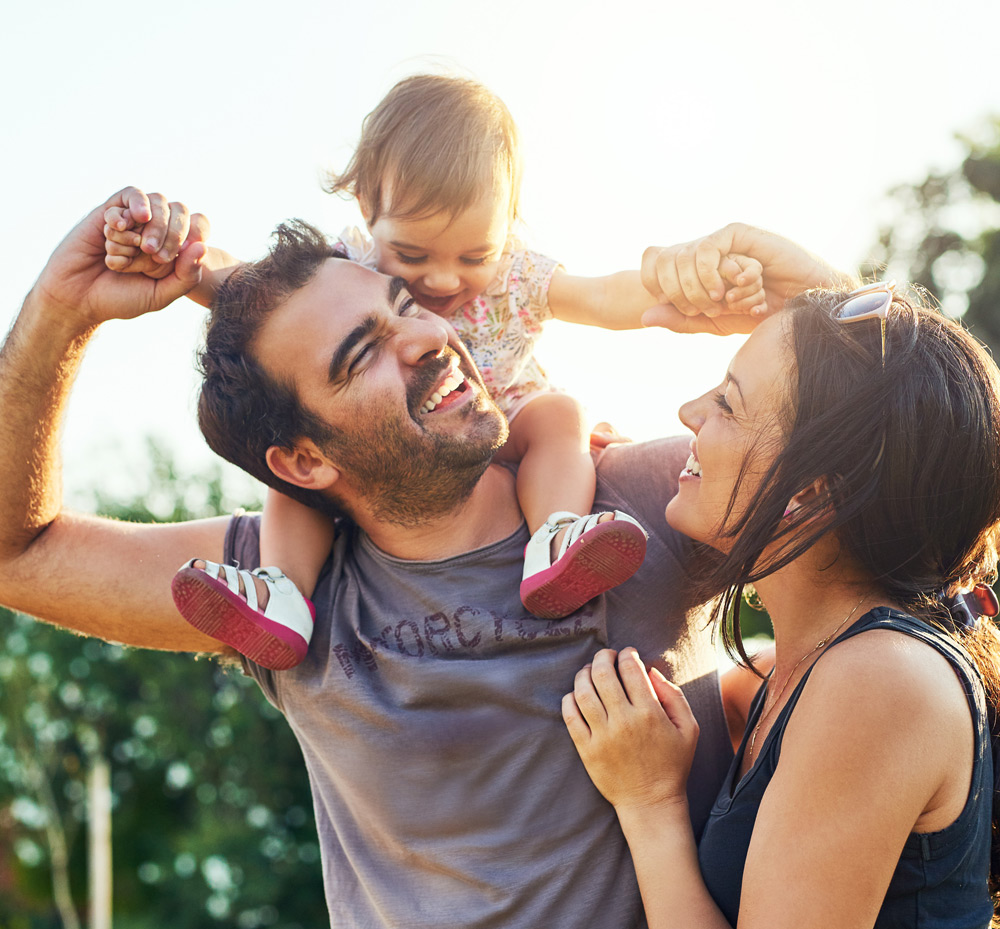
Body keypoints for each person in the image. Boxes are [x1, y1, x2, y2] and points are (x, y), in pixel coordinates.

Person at [0, 187, 759, 929]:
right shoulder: (279, 593)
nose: (432, 339)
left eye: (408, 307)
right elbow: (18, 554)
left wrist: (788, 285)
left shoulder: (642, 502)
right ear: (301, 463)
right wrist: (60, 309)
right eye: (363, 353)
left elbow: (878, 457)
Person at [104, 75, 766, 669]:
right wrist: (174, 256)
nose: (444, 280)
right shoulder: (348, 271)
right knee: (306, 471)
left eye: (474, 254)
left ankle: (556, 536)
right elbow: (240, 284)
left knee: (560, 415)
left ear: (508, 226)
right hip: (398, 442)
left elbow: (602, 296)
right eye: (413, 254)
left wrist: (684, 287)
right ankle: (282, 592)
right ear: (367, 206)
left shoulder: (517, 275)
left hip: (500, 423)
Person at [564, 236, 1000, 929]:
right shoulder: (803, 673)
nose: (688, 412)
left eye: (727, 403)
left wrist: (651, 802)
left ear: (815, 492)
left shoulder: (880, 681)